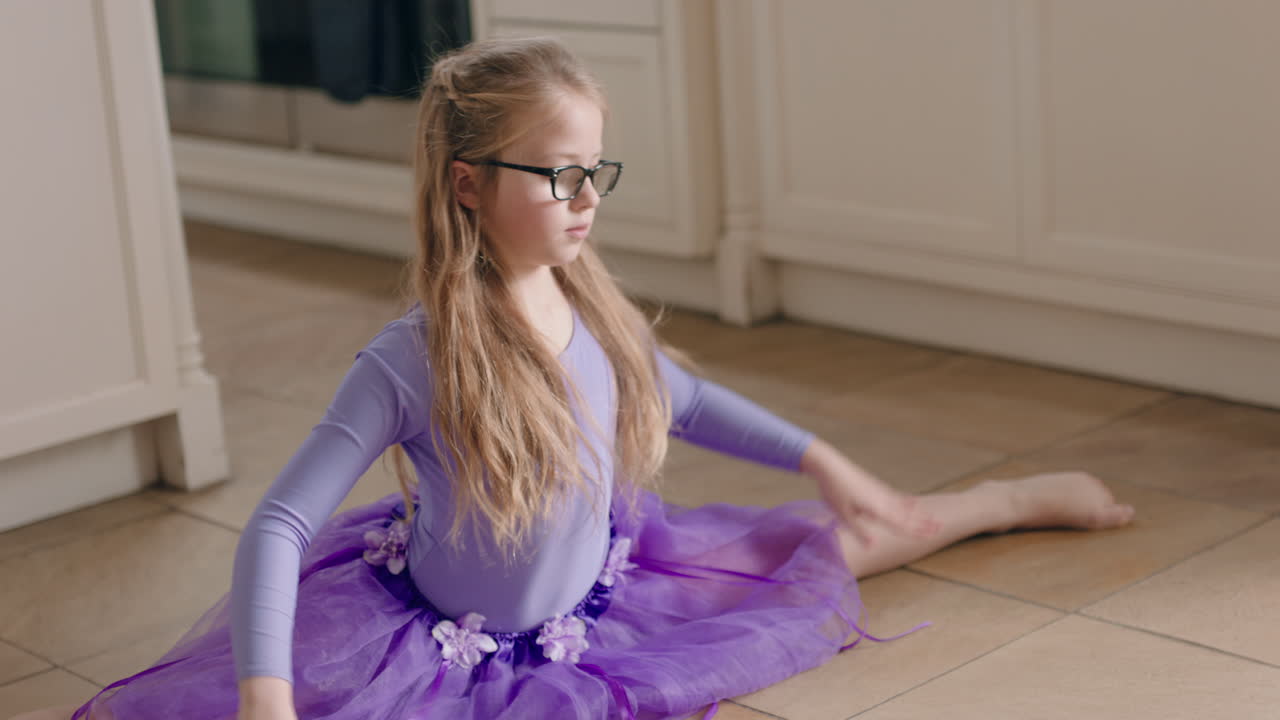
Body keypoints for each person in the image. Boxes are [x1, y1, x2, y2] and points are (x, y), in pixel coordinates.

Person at [22, 37, 1134, 720]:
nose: (584, 194)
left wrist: (823, 456)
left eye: (591, 168)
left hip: (607, 589)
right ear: (466, 183)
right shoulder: (414, 357)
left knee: (822, 541)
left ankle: (995, 501)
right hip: (448, 649)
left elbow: (685, 401)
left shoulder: (586, 296)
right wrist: (268, 694)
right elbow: (273, 527)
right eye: (555, 174)